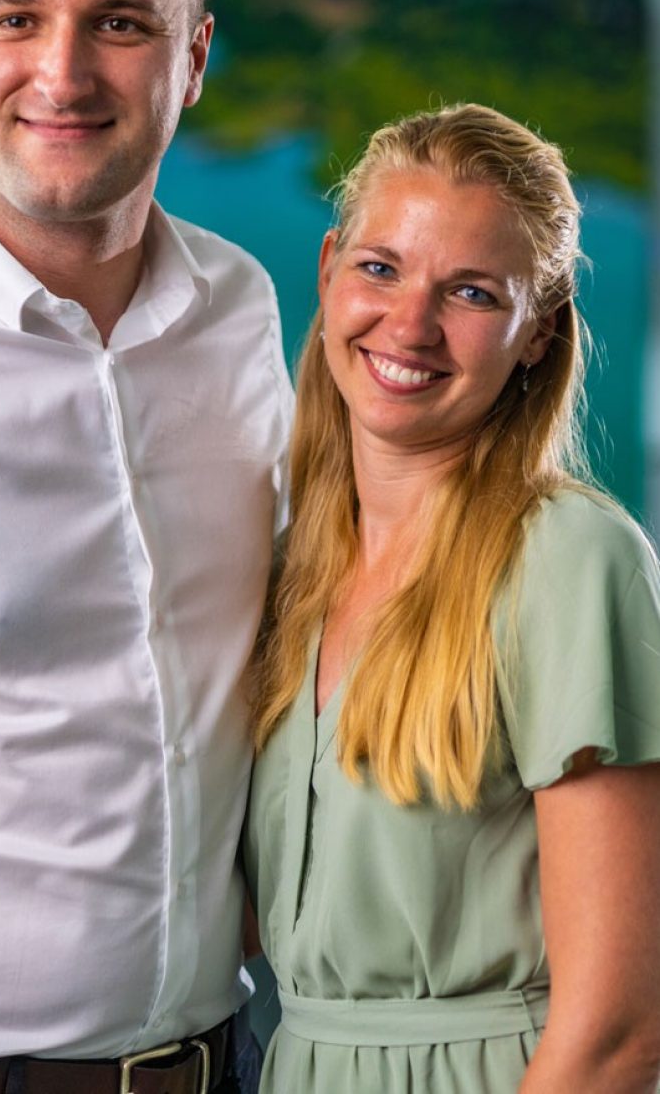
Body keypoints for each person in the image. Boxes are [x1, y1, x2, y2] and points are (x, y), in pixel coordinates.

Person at [0, 0, 293, 1092]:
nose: (63, 71)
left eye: (120, 22)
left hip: (222, 1060)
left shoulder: (244, 305)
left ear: (194, 58)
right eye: (14, 18)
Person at [245, 103, 660, 1093]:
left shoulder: (569, 557)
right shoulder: (287, 561)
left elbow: (619, 1034)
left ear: (535, 335)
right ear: (329, 270)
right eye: (381, 267)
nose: (410, 324)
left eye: (470, 292)